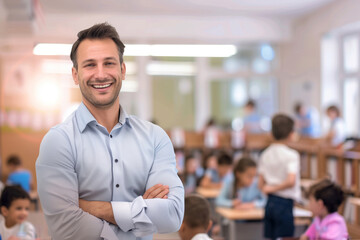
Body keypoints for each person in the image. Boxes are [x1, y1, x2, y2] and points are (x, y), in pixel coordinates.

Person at [35, 23, 184, 240]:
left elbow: (172, 215)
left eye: (109, 63)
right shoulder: (58, 142)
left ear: (122, 70)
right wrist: (139, 214)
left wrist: (94, 208)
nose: (101, 74)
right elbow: (66, 228)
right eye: (90, 65)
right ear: (75, 75)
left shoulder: (155, 138)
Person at [258, 114, 301, 240]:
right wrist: (273, 189)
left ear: (271, 133)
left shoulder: (265, 154)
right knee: (285, 238)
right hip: (285, 203)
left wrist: (269, 189)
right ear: (291, 134)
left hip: (269, 203)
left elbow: (260, 184)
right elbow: (291, 181)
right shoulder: (292, 155)